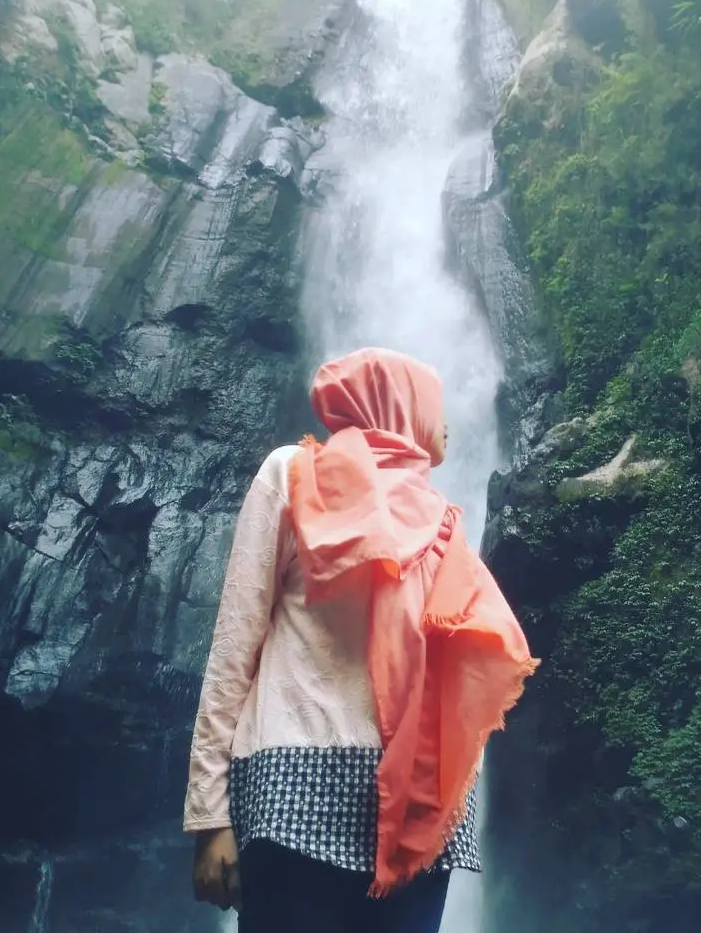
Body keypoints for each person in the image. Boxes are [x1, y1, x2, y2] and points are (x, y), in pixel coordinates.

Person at [184, 346, 538, 932]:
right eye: (434, 405)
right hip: (291, 786)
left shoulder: (442, 518)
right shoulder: (291, 474)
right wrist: (209, 814)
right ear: (399, 404)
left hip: (422, 808)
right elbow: (234, 644)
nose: (446, 424)